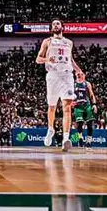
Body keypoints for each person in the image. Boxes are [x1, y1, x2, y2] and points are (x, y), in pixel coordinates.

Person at [35, 20, 82, 152]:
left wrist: (79, 70)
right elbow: (38, 59)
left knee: (67, 108)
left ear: (62, 27)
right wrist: (47, 60)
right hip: (53, 75)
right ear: (51, 28)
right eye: (54, 24)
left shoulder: (69, 43)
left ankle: (65, 139)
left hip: (67, 76)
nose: (56, 25)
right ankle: (50, 129)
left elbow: (70, 59)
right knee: (52, 107)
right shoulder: (47, 41)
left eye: (58, 24)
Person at [73, 70, 97, 148]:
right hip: (78, 106)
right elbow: (68, 95)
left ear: (84, 75)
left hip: (87, 105)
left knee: (90, 123)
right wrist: (71, 102)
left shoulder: (87, 83)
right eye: (78, 74)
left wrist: (94, 104)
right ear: (75, 75)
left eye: (81, 74)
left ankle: (89, 141)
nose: (79, 75)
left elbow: (91, 94)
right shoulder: (73, 84)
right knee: (79, 123)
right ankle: (80, 139)